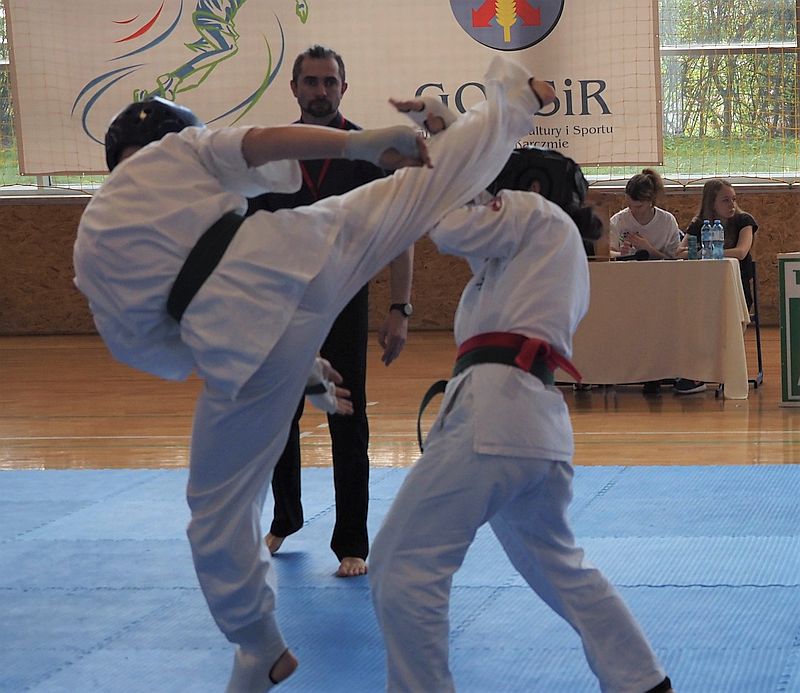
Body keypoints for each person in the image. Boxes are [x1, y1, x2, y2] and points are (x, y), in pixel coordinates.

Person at [73, 56, 555, 692]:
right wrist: (359, 143)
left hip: (240, 348)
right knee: (414, 192)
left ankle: (257, 645)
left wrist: (276, 360)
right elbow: (264, 142)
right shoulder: (177, 151)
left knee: (214, 510)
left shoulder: (89, 244)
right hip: (291, 254)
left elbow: (155, 349)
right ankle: (514, 99)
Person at [369, 104, 674, 693]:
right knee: (559, 567)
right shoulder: (542, 250)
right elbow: (472, 220)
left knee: (402, 565)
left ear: (531, 187)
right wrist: (450, 135)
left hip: (495, 415)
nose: (491, 196)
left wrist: (436, 163)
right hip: (531, 426)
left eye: (499, 186)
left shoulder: (535, 213)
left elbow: (451, 225)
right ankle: (643, 682)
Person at [247, 45, 414, 578]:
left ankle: (351, 542)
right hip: (281, 303)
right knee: (279, 414)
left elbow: (400, 233)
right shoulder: (273, 155)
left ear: (344, 88)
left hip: (342, 300)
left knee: (346, 414)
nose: (320, 91)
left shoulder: (367, 154)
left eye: (329, 82)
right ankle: (286, 516)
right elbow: (249, 238)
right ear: (294, 88)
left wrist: (400, 307)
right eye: (311, 82)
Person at [674, 179, 758, 394]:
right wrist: (701, 252)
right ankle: (695, 370)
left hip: (736, 288)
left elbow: (741, 252)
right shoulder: (698, 224)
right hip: (703, 289)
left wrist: (708, 253)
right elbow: (679, 252)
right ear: (712, 203)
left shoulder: (744, 221)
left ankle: (721, 369)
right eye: (725, 200)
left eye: (734, 199)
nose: (732, 205)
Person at [609, 168, 681, 260]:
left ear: (651, 201)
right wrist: (622, 254)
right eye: (629, 205)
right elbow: (607, 254)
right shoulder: (618, 221)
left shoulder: (668, 221)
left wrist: (648, 249)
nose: (633, 210)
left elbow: (674, 260)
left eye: (639, 206)